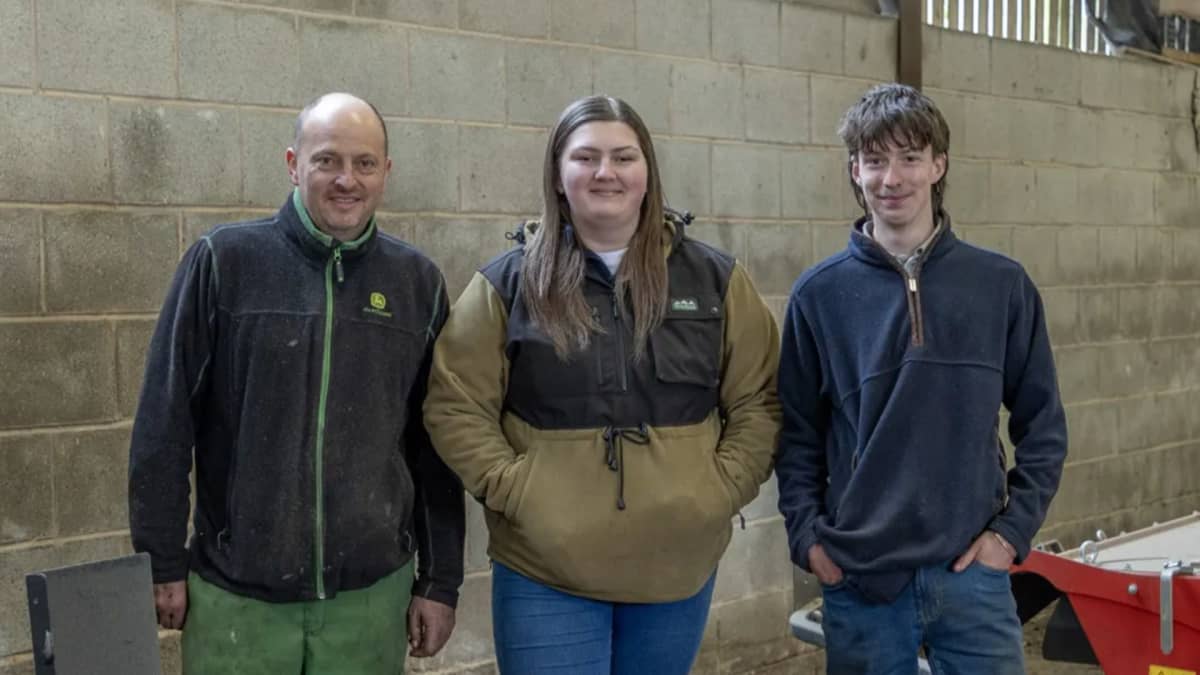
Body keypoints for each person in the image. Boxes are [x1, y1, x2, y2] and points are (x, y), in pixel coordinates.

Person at [423, 95, 780, 674]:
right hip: (546, 570)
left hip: (676, 564)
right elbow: (454, 405)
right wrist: (515, 490)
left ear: (647, 175)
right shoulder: (508, 285)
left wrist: (719, 488)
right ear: (559, 176)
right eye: (585, 157)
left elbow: (760, 399)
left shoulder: (716, 281)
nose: (605, 173)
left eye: (623, 157)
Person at [128, 92, 466, 674]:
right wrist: (161, 562)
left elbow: (434, 448)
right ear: (293, 163)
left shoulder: (417, 283)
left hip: (369, 601)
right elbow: (164, 423)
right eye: (326, 160)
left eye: (364, 164)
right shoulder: (222, 262)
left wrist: (440, 581)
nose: (346, 180)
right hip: (238, 602)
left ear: (386, 173)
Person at [775, 82, 1069, 674]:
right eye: (875, 160)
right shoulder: (818, 295)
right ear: (854, 170)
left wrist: (1010, 535)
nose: (892, 178)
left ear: (939, 164)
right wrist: (811, 540)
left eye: (910, 158)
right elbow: (797, 436)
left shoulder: (1000, 286)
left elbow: (1044, 426)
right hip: (862, 579)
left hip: (973, 578)